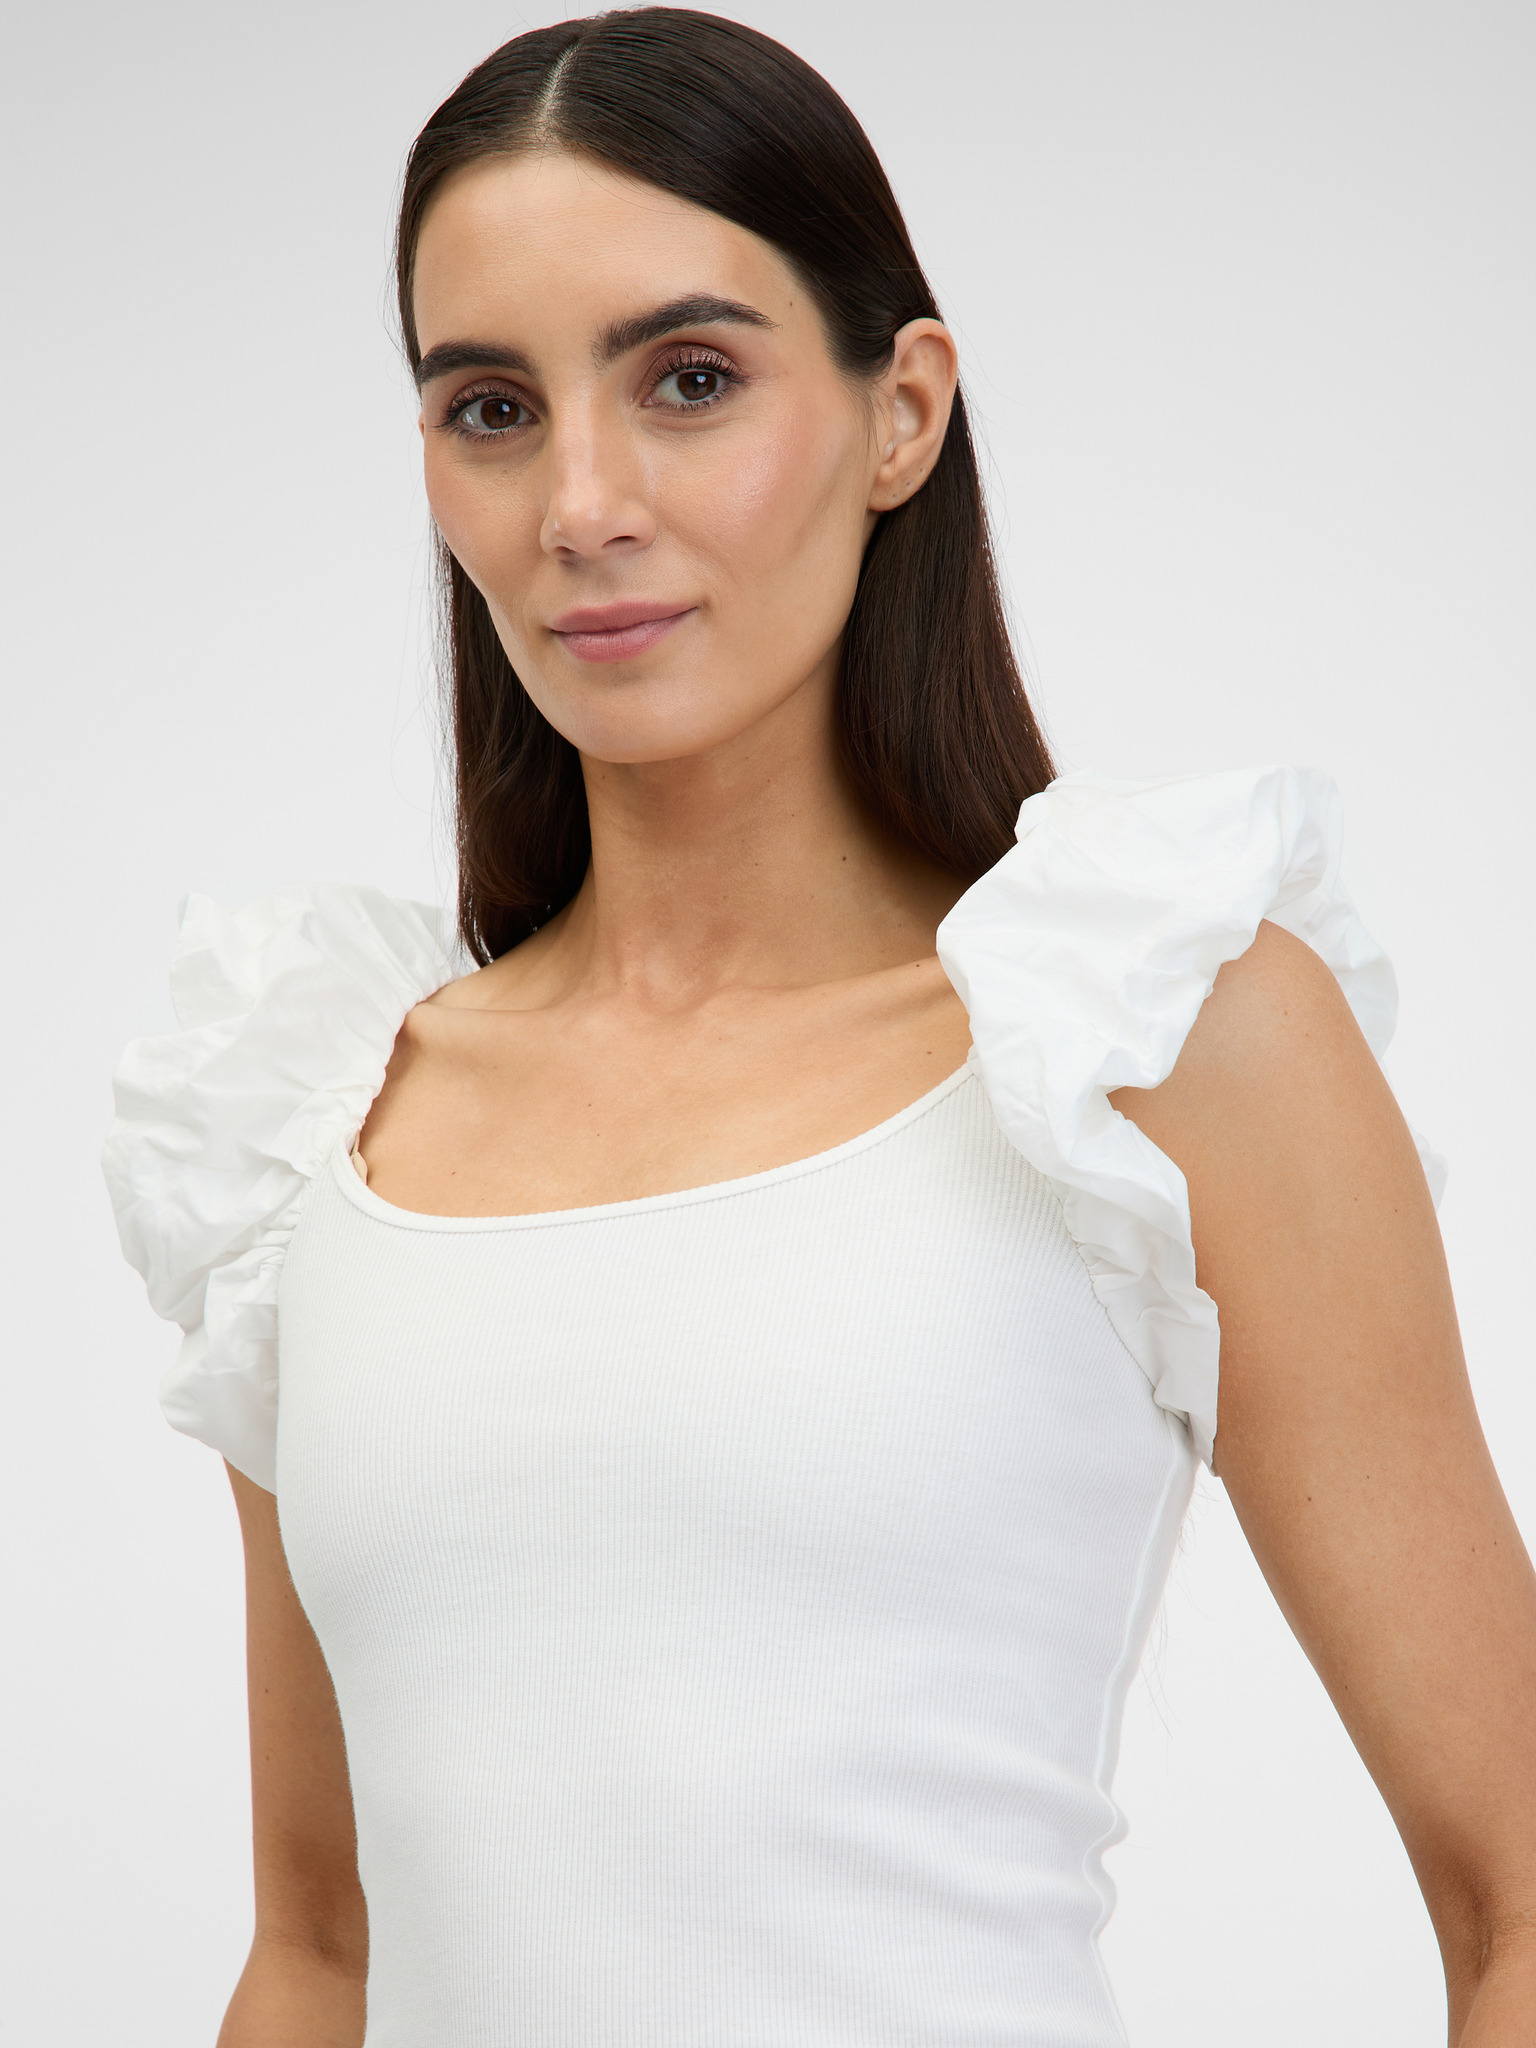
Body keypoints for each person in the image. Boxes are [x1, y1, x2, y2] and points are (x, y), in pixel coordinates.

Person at [102, 11, 1536, 2045]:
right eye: (491, 407)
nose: (581, 501)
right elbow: (318, 1952)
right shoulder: (319, 1132)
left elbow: (1516, 1895)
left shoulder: (1151, 1042)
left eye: (689, 380)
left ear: (902, 414)